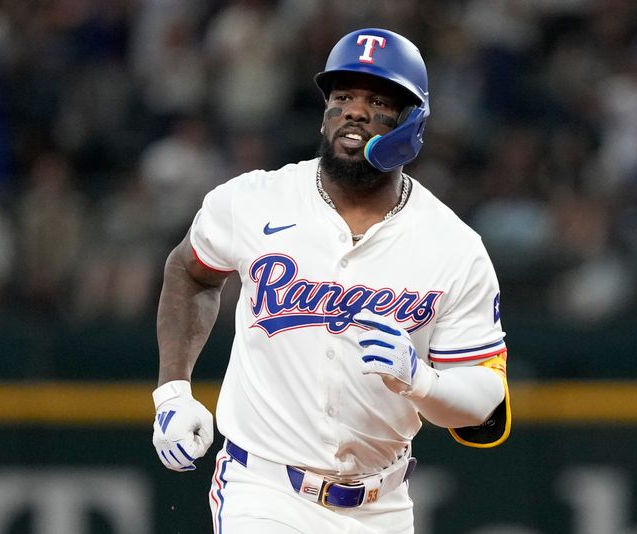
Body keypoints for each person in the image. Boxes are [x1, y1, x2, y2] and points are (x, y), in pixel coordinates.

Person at [151, 28, 512, 534]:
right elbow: (190, 270)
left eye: (379, 101)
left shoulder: (453, 246)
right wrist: (173, 390)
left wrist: (421, 379)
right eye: (342, 96)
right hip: (264, 490)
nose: (355, 111)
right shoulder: (254, 201)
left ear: (413, 123)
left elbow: (483, 401)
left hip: (382, 503)